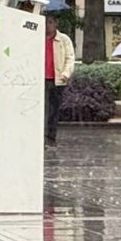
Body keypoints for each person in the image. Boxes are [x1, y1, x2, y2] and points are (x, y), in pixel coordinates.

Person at [45, 14, 75, 144]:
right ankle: (41, 135)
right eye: (46, 22)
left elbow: (70, 58)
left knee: (53, 110)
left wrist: (66, 73)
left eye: (50, 22)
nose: (48, 25)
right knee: (41, 109)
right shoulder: (38, 38)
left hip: (57, 80)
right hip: (41, 79)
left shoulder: (63, 39)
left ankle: (51, 137)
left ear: (56, 23)